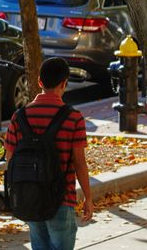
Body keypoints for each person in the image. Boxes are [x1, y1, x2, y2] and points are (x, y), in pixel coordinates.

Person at [5, 57, 93, 250]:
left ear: (39, 82)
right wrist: (88, 197)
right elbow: (79, 162)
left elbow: (10, 159)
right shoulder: (74, 117)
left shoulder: (19, 117)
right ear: (64, 83)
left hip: (30, 196)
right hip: (62, 198)